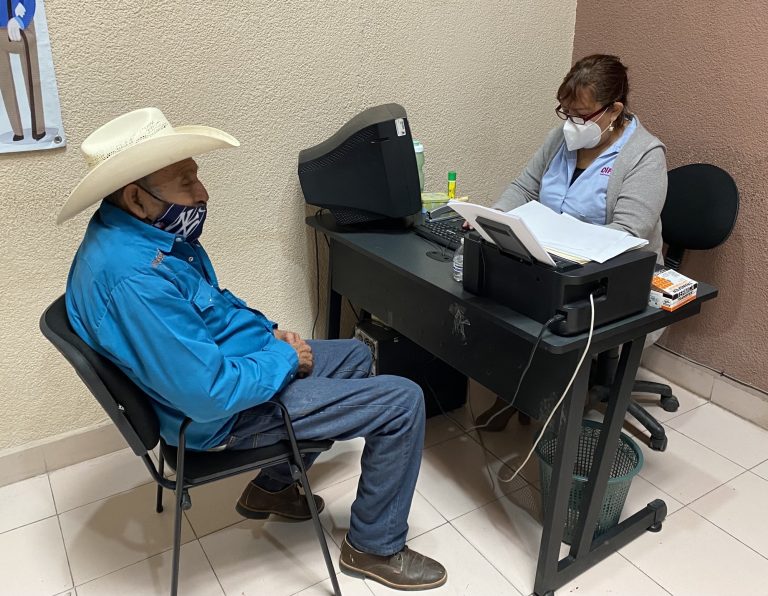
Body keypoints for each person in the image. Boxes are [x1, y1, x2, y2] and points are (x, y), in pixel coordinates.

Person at [59, 107, 447, 591]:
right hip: (221, 414)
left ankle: (274, 488)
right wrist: (284, 359)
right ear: (136, 197)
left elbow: (215, 313)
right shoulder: (135, 278)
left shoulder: (141, 236)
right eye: (185, 182)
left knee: (352, 356)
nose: (202, 193)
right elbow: (207, 393)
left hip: (231, 369)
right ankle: (374, 546)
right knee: (403, 401)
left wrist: (272, 333)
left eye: (197, 177)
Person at [475, 54, 667, 430]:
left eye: (581, 115)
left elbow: (627, 234)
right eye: (565, 112)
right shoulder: (559, 140)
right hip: (552, 263)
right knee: (494, 292)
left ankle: (551, 406)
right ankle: (514, 393)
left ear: (614, 111)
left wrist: (559, 249)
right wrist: (492, 219)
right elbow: (524, 187)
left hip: (611, 276)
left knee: (539, 311)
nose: (571, 124)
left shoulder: (644, 155)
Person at [1, 0, 46, 141]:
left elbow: (29, 3)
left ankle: (39, 128)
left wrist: (21, 20)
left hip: (21, 27)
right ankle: (17, 131)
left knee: (32, 78)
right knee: (5, 82)